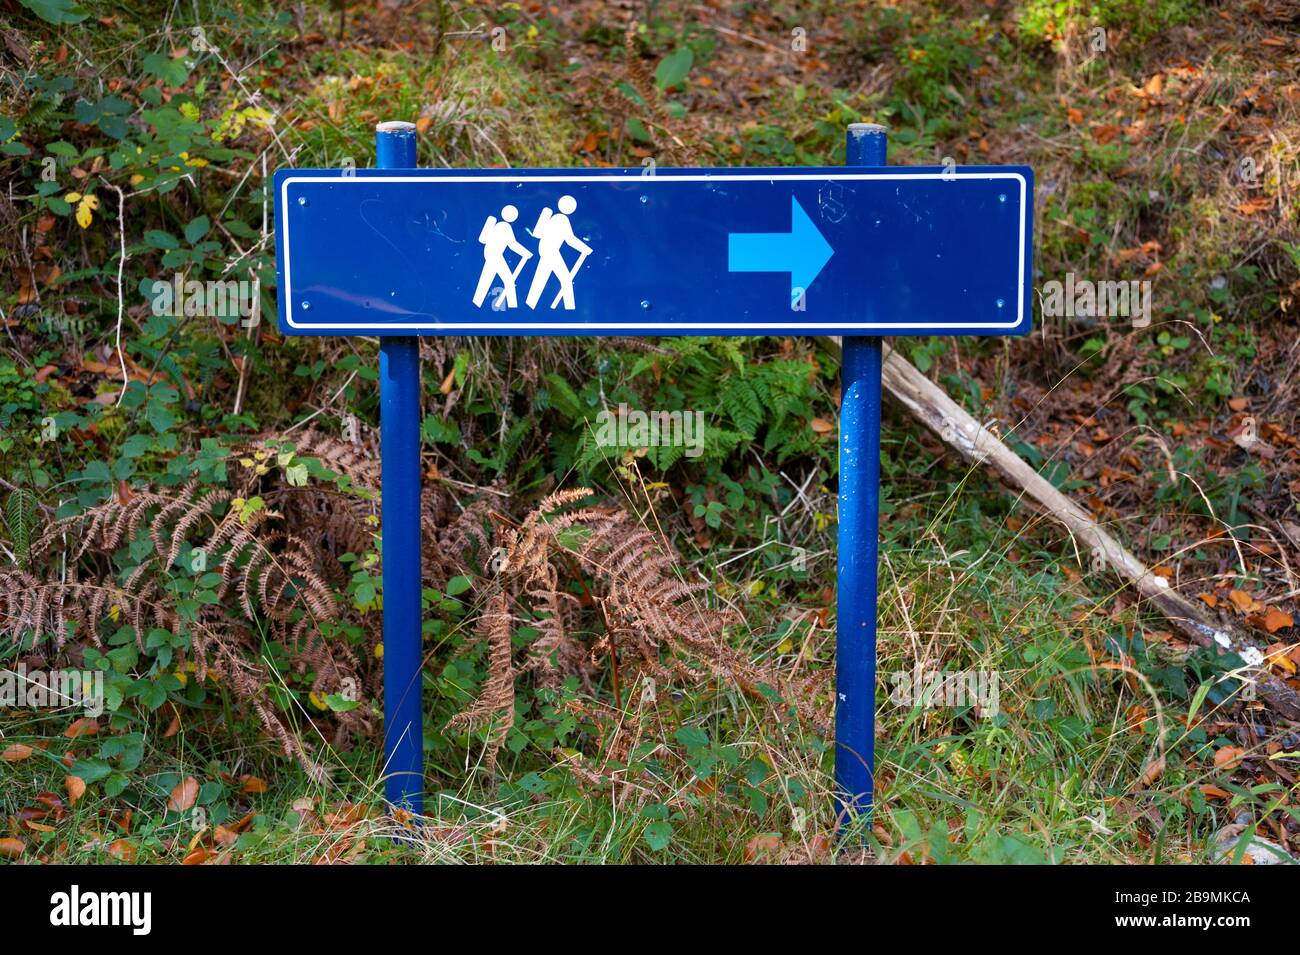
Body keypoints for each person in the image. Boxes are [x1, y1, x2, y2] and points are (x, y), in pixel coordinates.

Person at [525, 195, 592, 311]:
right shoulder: (561, 220)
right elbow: (569, 239)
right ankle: (570, 309)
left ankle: (529, 305)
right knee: (565, 279)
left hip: (546, 249)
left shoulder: (555, 218)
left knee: (541, 278)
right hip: (550, 251)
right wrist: (585, 249)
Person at [473, 204, 532, 309]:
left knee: (486, 279)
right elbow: (512, 244)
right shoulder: (505, 227)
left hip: (491, 253)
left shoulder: (498, 225)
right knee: (508, 280)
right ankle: (513, 308)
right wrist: (525, 253)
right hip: (495, 255)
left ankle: (476, 304)